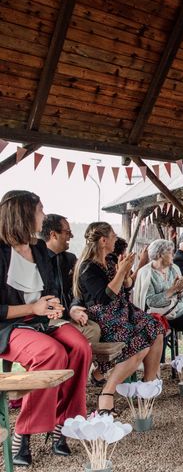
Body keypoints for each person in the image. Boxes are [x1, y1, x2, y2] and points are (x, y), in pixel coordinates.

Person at [0, 191, 92, 466]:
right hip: (9, 325)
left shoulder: (40, 249)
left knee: (80, 347)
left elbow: (50, 288)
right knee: (52, 353)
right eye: (40, 210)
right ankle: (23, 432)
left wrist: (55, 306)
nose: (43, 215)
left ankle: (62, 425)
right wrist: (33, 309)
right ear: (24, 214)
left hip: (42, 320)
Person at [74, 222, 165, 416]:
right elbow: (105, 297)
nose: (116, 238)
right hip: (103, 315)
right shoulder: (87, 268)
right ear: (103, 240)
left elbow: (126, 287)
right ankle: (107, 392)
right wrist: (122, 271)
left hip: (123, 309)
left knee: (156, 327)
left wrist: (125, 276)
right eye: (113, 235)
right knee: (139, 342)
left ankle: (147, 386)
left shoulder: (111, 259)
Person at [132, 239, 183, 384]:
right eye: (170, 252)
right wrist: (173, 290)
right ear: (161, 254)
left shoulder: (175, 269)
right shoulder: (146, 273)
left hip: (175, 311)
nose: (173, 255)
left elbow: (182, 297)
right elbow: (150, 302)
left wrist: (177, 302)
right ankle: (154, 370)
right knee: (159, 327)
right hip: (154, 315)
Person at [40, 214, 101, 343]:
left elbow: (78, 290)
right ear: (53, 235)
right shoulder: (36, 260)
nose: (71, 236)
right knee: (91, 332)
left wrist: (74, 307)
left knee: (94, 327)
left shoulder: (70, 259)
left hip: (69, 316)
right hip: (45, 318)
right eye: (67, 232)